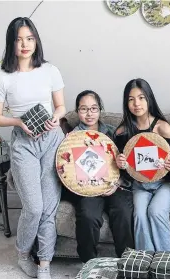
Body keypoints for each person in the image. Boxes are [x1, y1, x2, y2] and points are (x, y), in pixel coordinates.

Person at [0, 17, 66, 279]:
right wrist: (19, 122)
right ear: (11, 43)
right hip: (24, 143)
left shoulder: (49, 70)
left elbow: (61, 106)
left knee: (47, 207)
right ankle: (23, 253)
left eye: (30, 38)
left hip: (52, 139)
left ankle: (44, 262)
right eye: (19, 39)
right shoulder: (2, 77)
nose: (25, 44)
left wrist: (57, 117)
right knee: (33, 207)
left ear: (36, 40)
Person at [62, 90, 134, 263]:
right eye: (84, 109)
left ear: (100, 110)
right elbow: (66, 170)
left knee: (123, 211)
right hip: (88, 188)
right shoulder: (71, 139)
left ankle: (127, 261)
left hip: (115, 185)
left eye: (94, 108)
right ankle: (89, 262)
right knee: (88, 215)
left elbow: (125, 164)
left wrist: (116, 183)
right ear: (78, 111)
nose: (89, 114)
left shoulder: (112, 132)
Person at [115, 78, 170, 252]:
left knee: (156, 212)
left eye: (141, 98)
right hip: (139, 186)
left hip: (164, 185)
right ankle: (145, 262)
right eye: (131, 99)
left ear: (149, 98)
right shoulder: (122, 131)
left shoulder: (163, 128)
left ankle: (167, 262)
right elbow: (123, 172)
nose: (137, 104)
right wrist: (120, 164)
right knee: (140, 215)